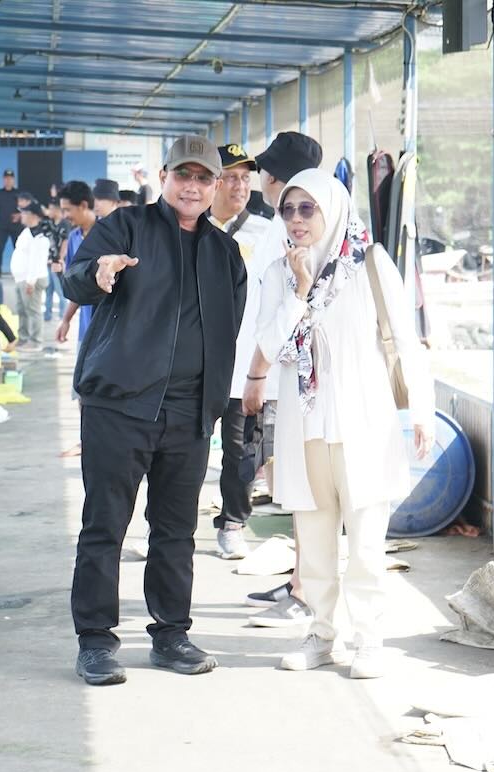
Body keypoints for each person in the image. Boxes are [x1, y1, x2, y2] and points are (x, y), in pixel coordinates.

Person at [64, 135, 246, 685]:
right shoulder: (126, 226)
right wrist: (97, 274)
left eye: (204, 178)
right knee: (105, 525)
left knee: (175, 531)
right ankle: (96, 642)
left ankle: (171, 635)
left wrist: (214, 403)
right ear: (164, 177)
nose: (192, 186)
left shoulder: (224, 252)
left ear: (215, 186)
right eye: (183, 175)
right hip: (119, 405)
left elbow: (230, 328)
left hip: (189, 414)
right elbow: (76, 276)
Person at [251, 169, 434, 679]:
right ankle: (321, 634)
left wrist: (422, 408)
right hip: (305, 426)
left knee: (367, 541)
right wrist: (299, 291)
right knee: (313, 542)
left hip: (363, 423)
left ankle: (368, 639)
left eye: (307, 209)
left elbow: (406, 337)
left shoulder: (370, 264)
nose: (296, 220)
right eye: (288, 210)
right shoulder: (278, 273)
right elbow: (270, 346)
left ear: (332, 210)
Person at [240, 131, 325, 626]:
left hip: (290, 381)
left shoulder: (288, 232)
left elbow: (286, 314)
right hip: (286, 379)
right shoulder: (290, 225)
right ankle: (299, 578)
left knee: (302, 489)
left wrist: (256, 374)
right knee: (294, 487)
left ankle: (305, 587)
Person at [208, 144, 272, 560]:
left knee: (241, 450)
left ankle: (233, 523)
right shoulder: (189, 228)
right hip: (193, 366)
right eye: (231, 177)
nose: (240, 186)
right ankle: (164, 524)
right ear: (212, 182)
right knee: (180, 451)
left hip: (242, 366)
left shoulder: (265, 234)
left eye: (246, 178)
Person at [54, 181, 96, 347]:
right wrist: (66, 320)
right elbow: (76, 284)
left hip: (110, 328)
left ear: (83, 205)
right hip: (86, 327)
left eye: (67, 210)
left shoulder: (109, 233)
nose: (64, 215)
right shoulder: (74, 238)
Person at [11, 201, 51, 348]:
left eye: (25, 213)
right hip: (21, 278)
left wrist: (31, 282)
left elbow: (37, 261)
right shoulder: (27, 231)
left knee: (33, 310)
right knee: (22, 310)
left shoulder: (40, 236)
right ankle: (23, 338)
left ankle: (35, 341)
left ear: (34, 216)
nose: (21, 215)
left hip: (32, 279)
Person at [0, 168, 22, 305]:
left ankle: (19, 273)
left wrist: (19, 215)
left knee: (19, 251)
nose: (8, 180)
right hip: (2, 226)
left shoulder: (18, 193)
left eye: (10, 178)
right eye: (6, 178)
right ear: (3, 179)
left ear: (13, 180)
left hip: (16, 227)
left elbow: (25, 207)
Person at [42, 199, 70, 322]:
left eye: (51, 209)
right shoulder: (49, 223)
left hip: (57, 262)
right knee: (48, 290)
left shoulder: (65, 224)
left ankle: (63, 316)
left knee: (60, 290)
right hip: (48, 261)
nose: (49, 211)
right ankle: (47, 315)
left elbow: (65, 242)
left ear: (57, 210)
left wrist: (60, 259)